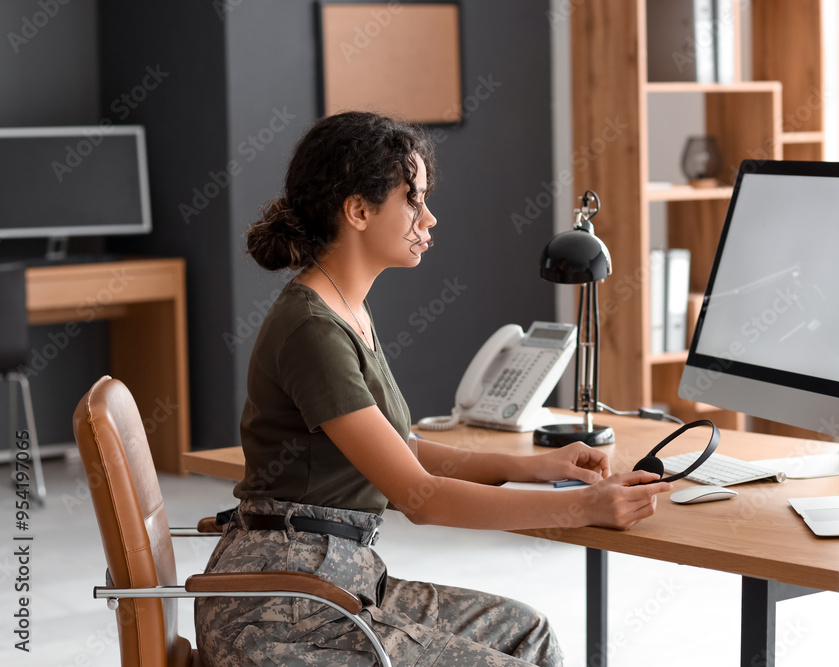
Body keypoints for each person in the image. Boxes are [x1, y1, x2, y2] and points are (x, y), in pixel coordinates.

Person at [195, 110, 670, 667]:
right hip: (286, 612)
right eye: (413, 199)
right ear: (358, 210)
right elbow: (420, 498)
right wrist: (584, 508)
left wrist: (541, 467)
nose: (430, 217)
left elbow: (403, 454)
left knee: (529, 634)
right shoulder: (312, 330)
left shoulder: (345, 311)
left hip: (338, 584)